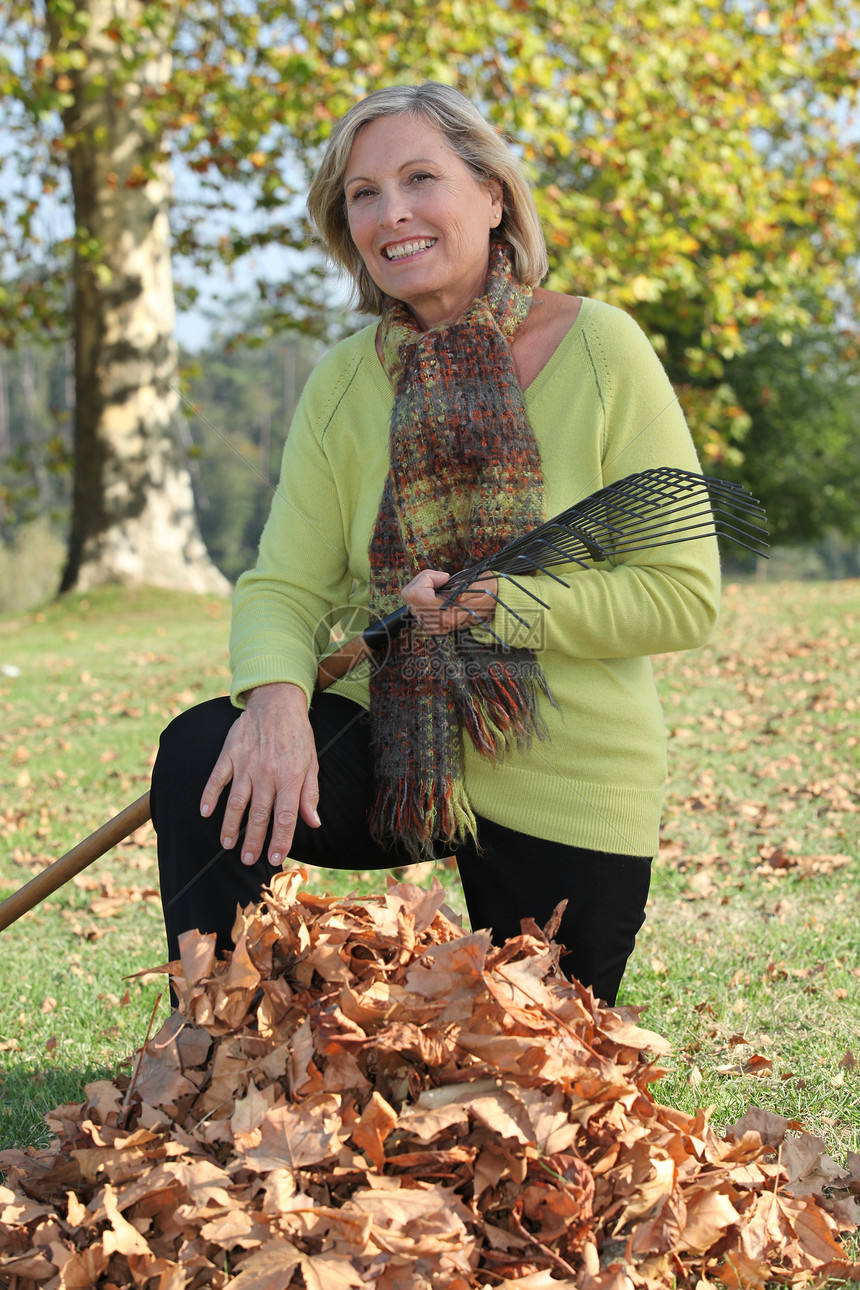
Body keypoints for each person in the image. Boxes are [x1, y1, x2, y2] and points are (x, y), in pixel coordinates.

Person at [151, 82, 720, 1006]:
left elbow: (682, 594)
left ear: (493, 196)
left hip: (564, 764)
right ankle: (216, 1040)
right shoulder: (344, 381)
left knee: (525, 1088)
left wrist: (502, 606)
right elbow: (283, 584)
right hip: (397, 748)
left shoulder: (604, 352)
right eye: (364, 193)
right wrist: (277, 701)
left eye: (422, 177)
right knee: (204, 748)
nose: (392, 212)